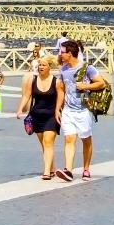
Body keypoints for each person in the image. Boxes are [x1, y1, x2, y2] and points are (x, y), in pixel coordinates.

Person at [56, 40, 107, 180]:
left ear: (70, 53)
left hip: (84, 110)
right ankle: (68, 170)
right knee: (69, 139)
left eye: (62, 52)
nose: (60, 54)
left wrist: (85, 86)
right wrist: (57, 109)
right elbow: (61, 90)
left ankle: (86, 169)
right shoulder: (63, 70)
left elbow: (101, 82)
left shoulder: (87, 68)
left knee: (86, 140)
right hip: (68, 110)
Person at [19, 53, 63, 181]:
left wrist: (58, 110)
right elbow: (26, 95)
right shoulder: (32, 80)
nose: (41, 67)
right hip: (36, 115)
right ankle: (52, 168)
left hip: (51, 116)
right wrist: (20, 109)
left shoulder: (57, 81)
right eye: (39, 65)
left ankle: (46, 172)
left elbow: (60, 97)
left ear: (49, 67)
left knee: (48, 142)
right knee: (44, 145)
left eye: (43, 65)